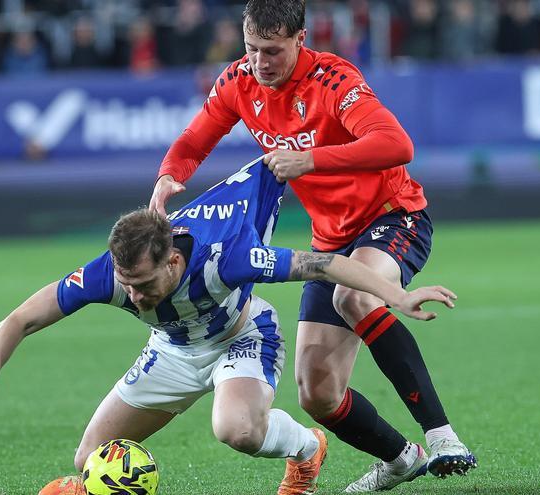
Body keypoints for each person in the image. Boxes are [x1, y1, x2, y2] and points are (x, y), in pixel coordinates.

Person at [0, 161, 457, 495]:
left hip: (242, 337)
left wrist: (397, 294)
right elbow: (19, 319)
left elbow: (320, 266)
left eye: (144, 283)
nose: (134, 294)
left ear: (171, 260)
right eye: (127, 284)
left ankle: (307, 450)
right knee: (90, 462)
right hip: (172, 351)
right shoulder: (108, 274)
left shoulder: (228, 258)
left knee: (233, 429)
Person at [148, 1, 477, 491]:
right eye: (252, 48)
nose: (260, 62)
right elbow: (196, 139)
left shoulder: (333, 81)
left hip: (393, 216)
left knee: (354, 295)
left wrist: (311, 159)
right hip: (332, 238)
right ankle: (401, 460)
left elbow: (397, 145)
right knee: (316, 394)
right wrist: (169, 177)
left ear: (301, 39)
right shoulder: (240, 81)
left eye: (273, 51)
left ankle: (444, 437)